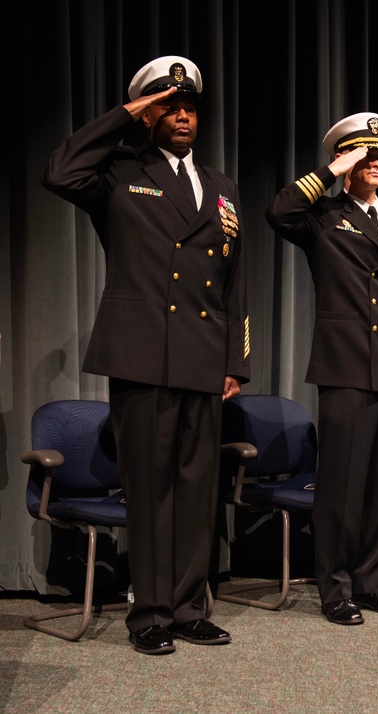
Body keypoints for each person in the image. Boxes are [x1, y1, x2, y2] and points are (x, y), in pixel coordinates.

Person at [42, 56, 250, 654]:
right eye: (168, 105)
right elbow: (58, 171)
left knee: (196, 489)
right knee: (151, 488)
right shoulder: (116, 172)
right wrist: (127, 112)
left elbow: (236, 282)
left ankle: (188, 606)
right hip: (143, 352)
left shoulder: (222, 187)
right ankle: (150, 614)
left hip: (205, 355)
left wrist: (237, 362)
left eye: (188, 107)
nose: (182, 115)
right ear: (149, 113)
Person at [265, 113, 378, 625]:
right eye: (363, 153)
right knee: (342, 486)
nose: (374, 160)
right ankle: (334, 588)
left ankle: (373, 582)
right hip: (346, 364)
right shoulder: (323, 215)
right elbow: (278, 212)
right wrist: (330, 171)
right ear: (346, 159)